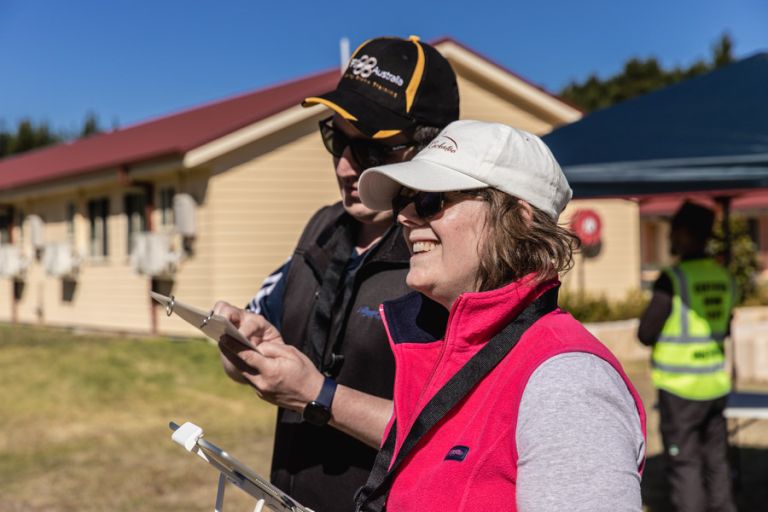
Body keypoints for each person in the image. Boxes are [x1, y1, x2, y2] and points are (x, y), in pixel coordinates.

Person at [214, 36, 459, 512]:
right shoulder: (323, 230)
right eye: (336, 140)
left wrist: (317, 396)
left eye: (369, 150)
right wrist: (243, 348)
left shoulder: (452, 257)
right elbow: (245, 349)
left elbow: (456, 435)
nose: (346, 168)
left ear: (431, 149)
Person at [352, 120, 647, 511]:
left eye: (430, 200)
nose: (405, 217)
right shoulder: (449, 350)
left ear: (518, 219)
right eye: (402, 201)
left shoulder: (566, 381)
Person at [638, 201, 737, 512]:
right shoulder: (724, 276)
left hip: (680, 389)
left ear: (685, 235)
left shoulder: (674, 279)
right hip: (715, 385)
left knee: (686, 464)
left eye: (674, 233)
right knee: (716, 461)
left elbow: (645, 333)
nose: (670, 240)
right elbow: (726, 325)